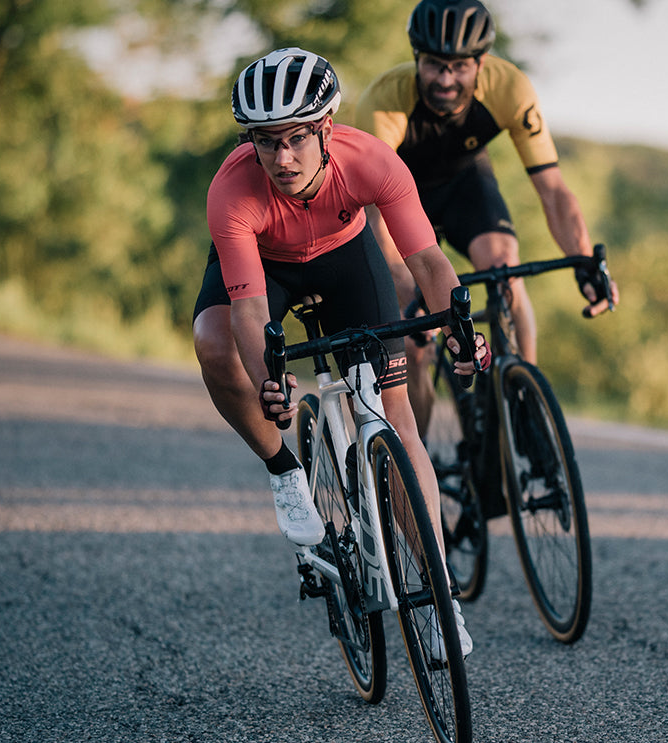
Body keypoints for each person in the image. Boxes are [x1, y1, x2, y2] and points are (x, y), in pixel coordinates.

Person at [192, 47, 484, 656]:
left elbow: (427, 260)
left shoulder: (371, 160)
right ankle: (283, 469)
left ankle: (437, 594)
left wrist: (459, 326)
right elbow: (249, 310)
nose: (282, 157)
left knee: (398, 422)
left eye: (297, 137)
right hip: (263, 268)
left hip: (346, 259)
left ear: (326, 129)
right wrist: (269, 378)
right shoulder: (233, 191)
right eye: (266, 142)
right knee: (214, 344)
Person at [355, 0, 618, 429]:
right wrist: (409, 291)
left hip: (466, 189)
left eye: (459, 67)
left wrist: (584, 261)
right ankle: (417, 460)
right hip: (401, 204)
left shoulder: (509, 88)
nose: (445, 79)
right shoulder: (383, 103)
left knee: (505, 273)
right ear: (416, 58)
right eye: (434, 65)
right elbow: (375, 218)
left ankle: (523, 409)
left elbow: (552, 189)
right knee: (415, 340)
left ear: (481, 62)